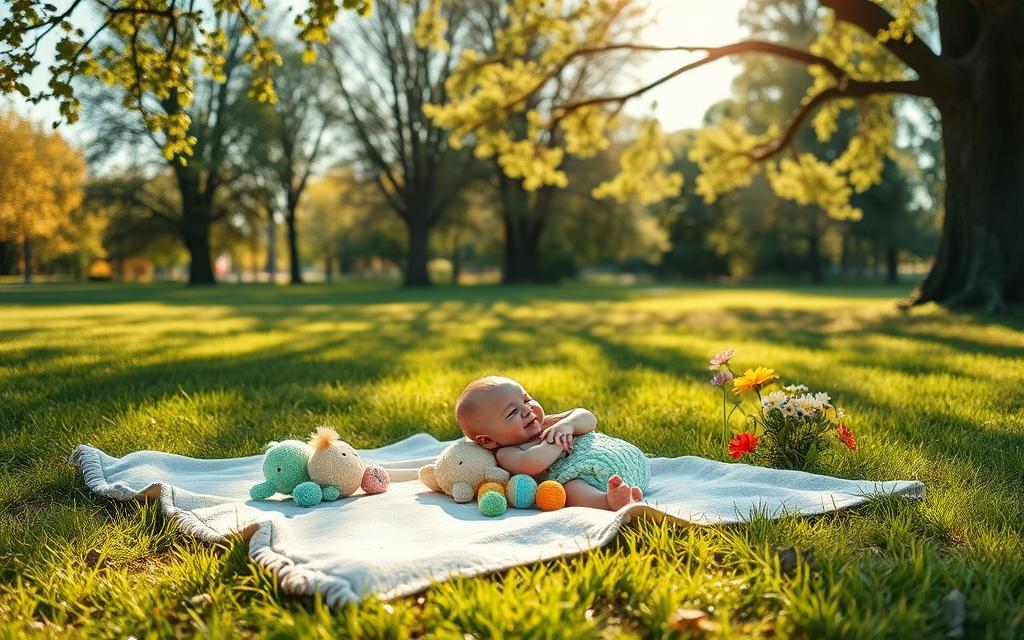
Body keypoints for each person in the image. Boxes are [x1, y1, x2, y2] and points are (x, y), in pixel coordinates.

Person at [454, 375, 650, 510]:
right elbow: (534, 462)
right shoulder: (507, 453)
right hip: (591, 481)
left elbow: (588, 417)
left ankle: (624, 489)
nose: (527, 410)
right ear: (488, 441)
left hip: (621, 460)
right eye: (513, 412)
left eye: (527, 399)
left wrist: (569, 425)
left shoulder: (548, 422)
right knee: (570, 489)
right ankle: (610, 501)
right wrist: (557, 441)